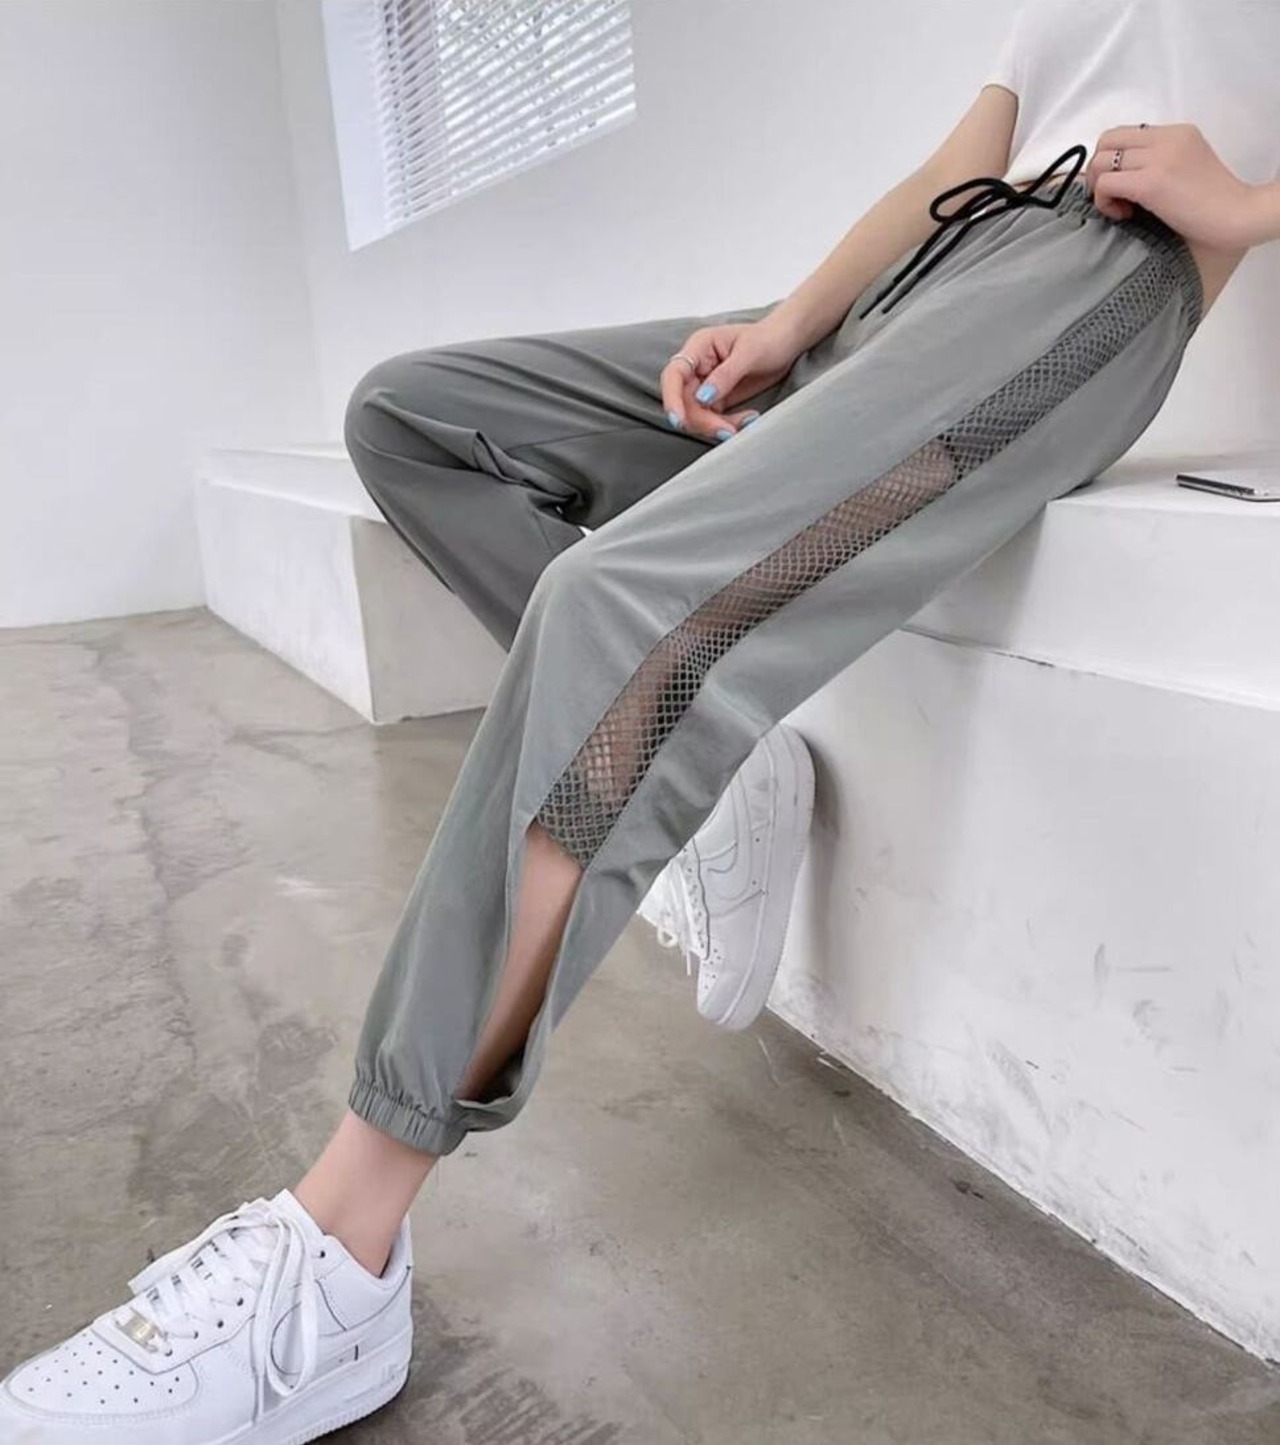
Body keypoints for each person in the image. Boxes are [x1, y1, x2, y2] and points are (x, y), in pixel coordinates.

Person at [5, 1, 1280, 1439]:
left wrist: (1243, 208)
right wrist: (789, 329)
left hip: (1086, 288)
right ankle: (710, 773)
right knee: (411, 416)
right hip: (931, 277)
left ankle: (340, 1258)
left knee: (611, 600)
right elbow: (956, 166)